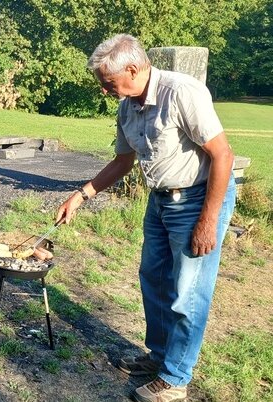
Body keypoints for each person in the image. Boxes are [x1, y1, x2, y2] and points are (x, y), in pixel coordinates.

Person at [56, 34, 236, 402]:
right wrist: (81, 194)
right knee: (153, 279)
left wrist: (208, 220)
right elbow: (124, 162)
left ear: (133, 69)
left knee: (187, 293)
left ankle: (175, 378)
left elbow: (223, 156)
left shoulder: (181, 92)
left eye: (108, 83)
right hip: (160, 202)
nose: (106, 92)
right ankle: (158, 355)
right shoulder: (127, 107)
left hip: (199, 198)